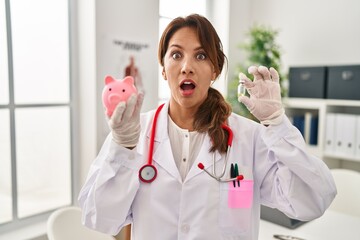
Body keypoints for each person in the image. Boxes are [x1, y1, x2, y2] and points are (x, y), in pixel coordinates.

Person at [78, 14, 336, 240]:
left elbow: (314, 200)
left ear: (214, 69)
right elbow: (98, 218)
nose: (187, 67)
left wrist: (278, 125)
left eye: (200, 56)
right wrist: (122, 147)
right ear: (164, 70)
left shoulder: (250, 138)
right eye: (176, 55)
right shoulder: (133, 134)